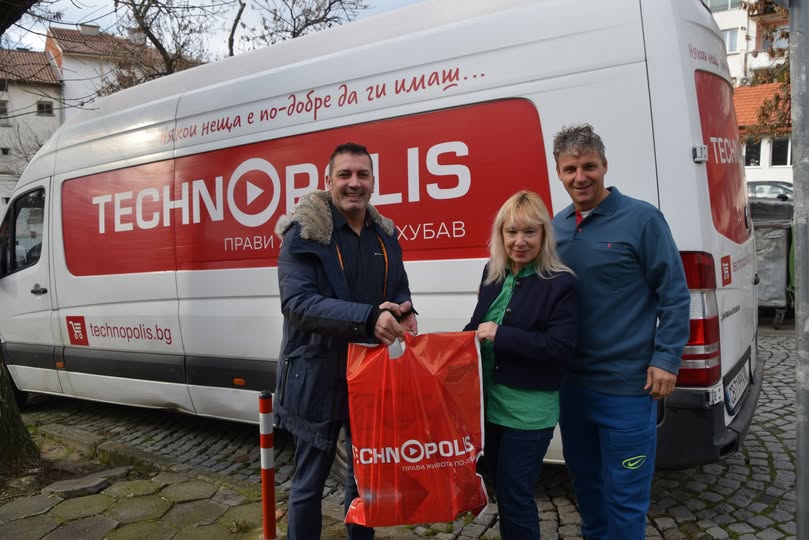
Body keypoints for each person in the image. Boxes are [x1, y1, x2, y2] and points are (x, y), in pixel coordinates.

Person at [550, 124, 691, 539]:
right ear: (558, 172)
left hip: (626, 389)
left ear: (605, 166)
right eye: (570, 168)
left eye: (589, 166)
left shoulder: (642, 219)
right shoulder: (555, 228)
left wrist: (666, 358)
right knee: (587, 489)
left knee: (626, 497)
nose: (581, 177)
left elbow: (674, 294)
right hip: (572, 390)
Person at [274, 142, 418, 540]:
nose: (354, 183)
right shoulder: (304, 234)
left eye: (362, 175)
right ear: (328, 181)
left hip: (369, 377)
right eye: (345, 175)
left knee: (365, 481)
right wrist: (369, 318)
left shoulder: (385, 235)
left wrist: (405, 311)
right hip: (316, 374)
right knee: (309, 485)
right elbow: (298, 304)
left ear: (373, 181)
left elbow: (399, 286)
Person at [465, 190, 578, 539]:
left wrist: (502, 335)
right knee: (501, 489)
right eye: (511, 231)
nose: (519, 241)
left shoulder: (560, 282)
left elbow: (560, 349)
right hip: (489, 406)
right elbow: (476, 326)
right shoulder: (492, 272)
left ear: (544, 235)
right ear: (500, 234)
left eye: (530, 232)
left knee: (516, 496)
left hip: (529, 412)